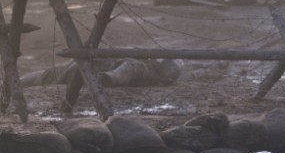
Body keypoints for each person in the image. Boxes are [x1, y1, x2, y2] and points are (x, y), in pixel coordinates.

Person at [22, 58, 181, 88]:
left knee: (43, 76)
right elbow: (127, 69)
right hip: (84, 70)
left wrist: (108, 78)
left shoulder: (144, 69)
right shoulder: (143, 68)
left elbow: (126, 70)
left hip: (83, 70)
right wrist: (108, 78)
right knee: (43, 77)